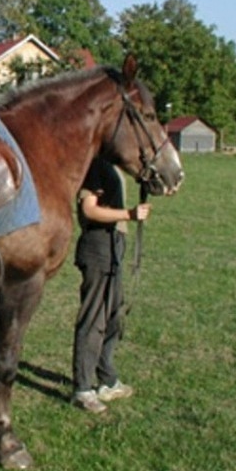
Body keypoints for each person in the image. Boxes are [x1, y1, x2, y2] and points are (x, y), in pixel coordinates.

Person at [70, 154, 151, 413]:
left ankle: (106, 380)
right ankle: (83, 389)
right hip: (98, 244)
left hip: (114, 243)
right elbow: (89, 209)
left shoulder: (113, 166)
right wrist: (129, 214)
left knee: (113, 314)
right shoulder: (96, 164)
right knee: (94, 317)